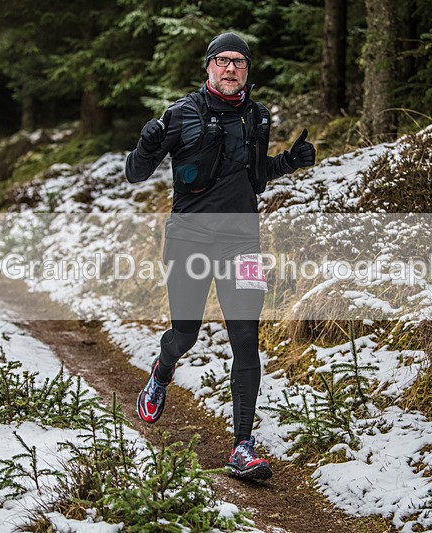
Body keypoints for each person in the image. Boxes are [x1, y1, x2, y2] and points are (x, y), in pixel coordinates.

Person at [124, 32, 316, 480]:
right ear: (208, 67)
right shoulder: (181, 114)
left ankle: (242, 446)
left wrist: (289, 161)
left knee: (246, 340)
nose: (231, 68)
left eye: (239, 62)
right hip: (188, 241)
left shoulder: (258, 116)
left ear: (247, 70)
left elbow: (253, 173)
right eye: (222, 61)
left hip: (241, 243)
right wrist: (147, 144)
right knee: (185, 335)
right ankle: (162, 367)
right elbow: (135, 173)